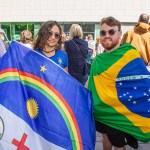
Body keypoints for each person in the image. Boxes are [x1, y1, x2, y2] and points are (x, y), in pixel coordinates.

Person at [88, 16, 138, 150]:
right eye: (103, 32)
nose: (106, 35)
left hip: (118, 112)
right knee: (105, 137)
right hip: (100, 111)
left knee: (119, 143)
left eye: (111, 32)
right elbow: (90, 84)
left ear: (120, 34)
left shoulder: (129, 55)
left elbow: (141, 83)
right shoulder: (98, 59)